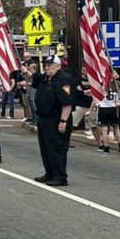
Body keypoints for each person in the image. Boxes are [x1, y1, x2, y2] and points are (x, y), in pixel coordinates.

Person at [30, 54, 75, 186]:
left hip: (56, 119)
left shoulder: (63, 79)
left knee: (57, 149)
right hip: (44, 118)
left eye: (50, 65)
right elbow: (33, 79)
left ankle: (60, 176)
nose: (47, 68)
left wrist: (63, 121)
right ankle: (49, 172)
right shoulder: (46, 78)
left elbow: (67, 103)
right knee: (45, 148)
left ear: (58, 66)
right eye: (46, 65)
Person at [93, 69, 120, 153]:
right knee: (116, 128)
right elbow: (118, 98)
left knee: (104, 129)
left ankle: (106, 147)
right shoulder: (116, 86)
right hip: (113, 108)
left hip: (103, 108)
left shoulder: (102, 85)